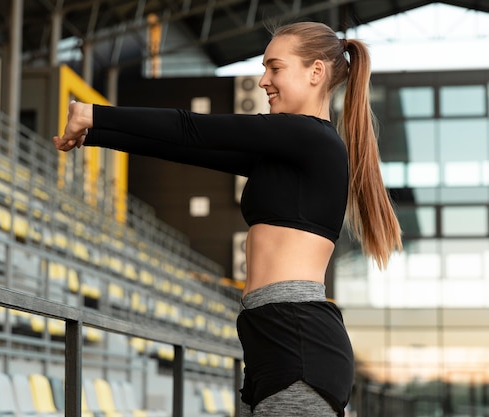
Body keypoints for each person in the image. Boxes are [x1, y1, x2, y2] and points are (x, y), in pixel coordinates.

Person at [54, 21, 402, 417]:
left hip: (296, 345)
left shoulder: (311, 139)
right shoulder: (291, 150)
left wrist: (93, 115)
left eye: (275, 67)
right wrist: (94, 132)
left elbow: (191, 129)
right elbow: (186, 148)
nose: (263, 81)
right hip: (275, 340)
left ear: (316, 72)